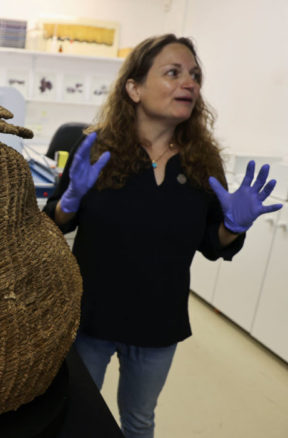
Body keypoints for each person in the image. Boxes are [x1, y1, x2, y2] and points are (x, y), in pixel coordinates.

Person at [43, 34, 283, 438]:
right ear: (134, 88)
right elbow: (55, 224)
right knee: (78, 416)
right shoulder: (95, 150)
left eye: (194, 75)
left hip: (157, 323)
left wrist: (232, 228)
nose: (189, 83)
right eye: (173, 73)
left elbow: (211, 243)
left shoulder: (202, 161)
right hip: (91, 318)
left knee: (139, 421)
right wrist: (69, 200)